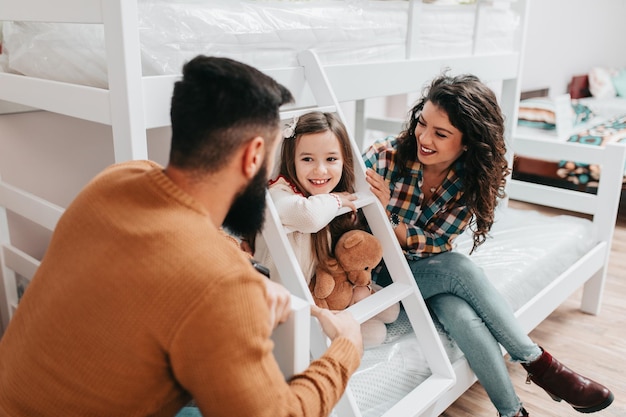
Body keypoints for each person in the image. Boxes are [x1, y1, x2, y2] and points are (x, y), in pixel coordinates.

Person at [0, 56, 363, 417]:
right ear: (253, 155)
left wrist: (243, 269)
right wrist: (345, 348)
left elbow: (173, 247)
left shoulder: (115, 180)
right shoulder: (220, 285)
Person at [363, 73, 614, 417]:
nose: (423, 137)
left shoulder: (469, 181)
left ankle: (512, 412)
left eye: (441, 133)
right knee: (458, 267)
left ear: (467, 142)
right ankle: (541, 366)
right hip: (380, 276)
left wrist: (393, 225)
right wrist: (388, 223)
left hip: (426, 275)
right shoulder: (382, 159)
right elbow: (353, 231)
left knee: (462, 315)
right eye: (422, 124)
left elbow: (438, 242)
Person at [252, 111, 360, 284]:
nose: (320, 170)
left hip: (307, 292)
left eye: (331, 159)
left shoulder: (328, 200)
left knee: (389, 310)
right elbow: (309, 216)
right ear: (292, 160)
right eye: (308, 159)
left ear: (343, 161)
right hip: (271, 296)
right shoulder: (278, 193)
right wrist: (336, 200)